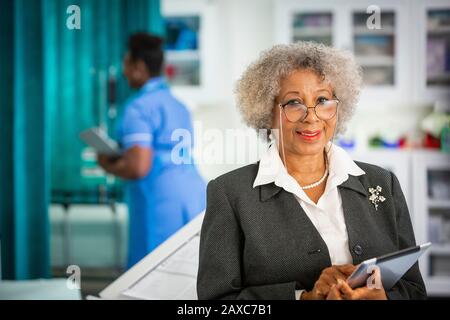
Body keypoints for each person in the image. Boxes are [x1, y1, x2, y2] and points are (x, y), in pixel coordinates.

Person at [197, 42, 426, 300]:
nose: (312, 116)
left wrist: (384, 298)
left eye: (323, 100)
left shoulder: (383, 182)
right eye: (294, 102)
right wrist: (303, 298)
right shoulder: (230, 194)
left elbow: (415, 291)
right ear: (266, 111)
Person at [98, 33, 206, 268]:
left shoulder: (139, 107)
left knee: (150, 274)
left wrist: (105, 162)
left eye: (126, 64)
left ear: (138, 66)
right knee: (188, 271)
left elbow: (138, 166)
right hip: (195, 195)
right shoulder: (179, 105)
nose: (124, 72)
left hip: (160, 199)